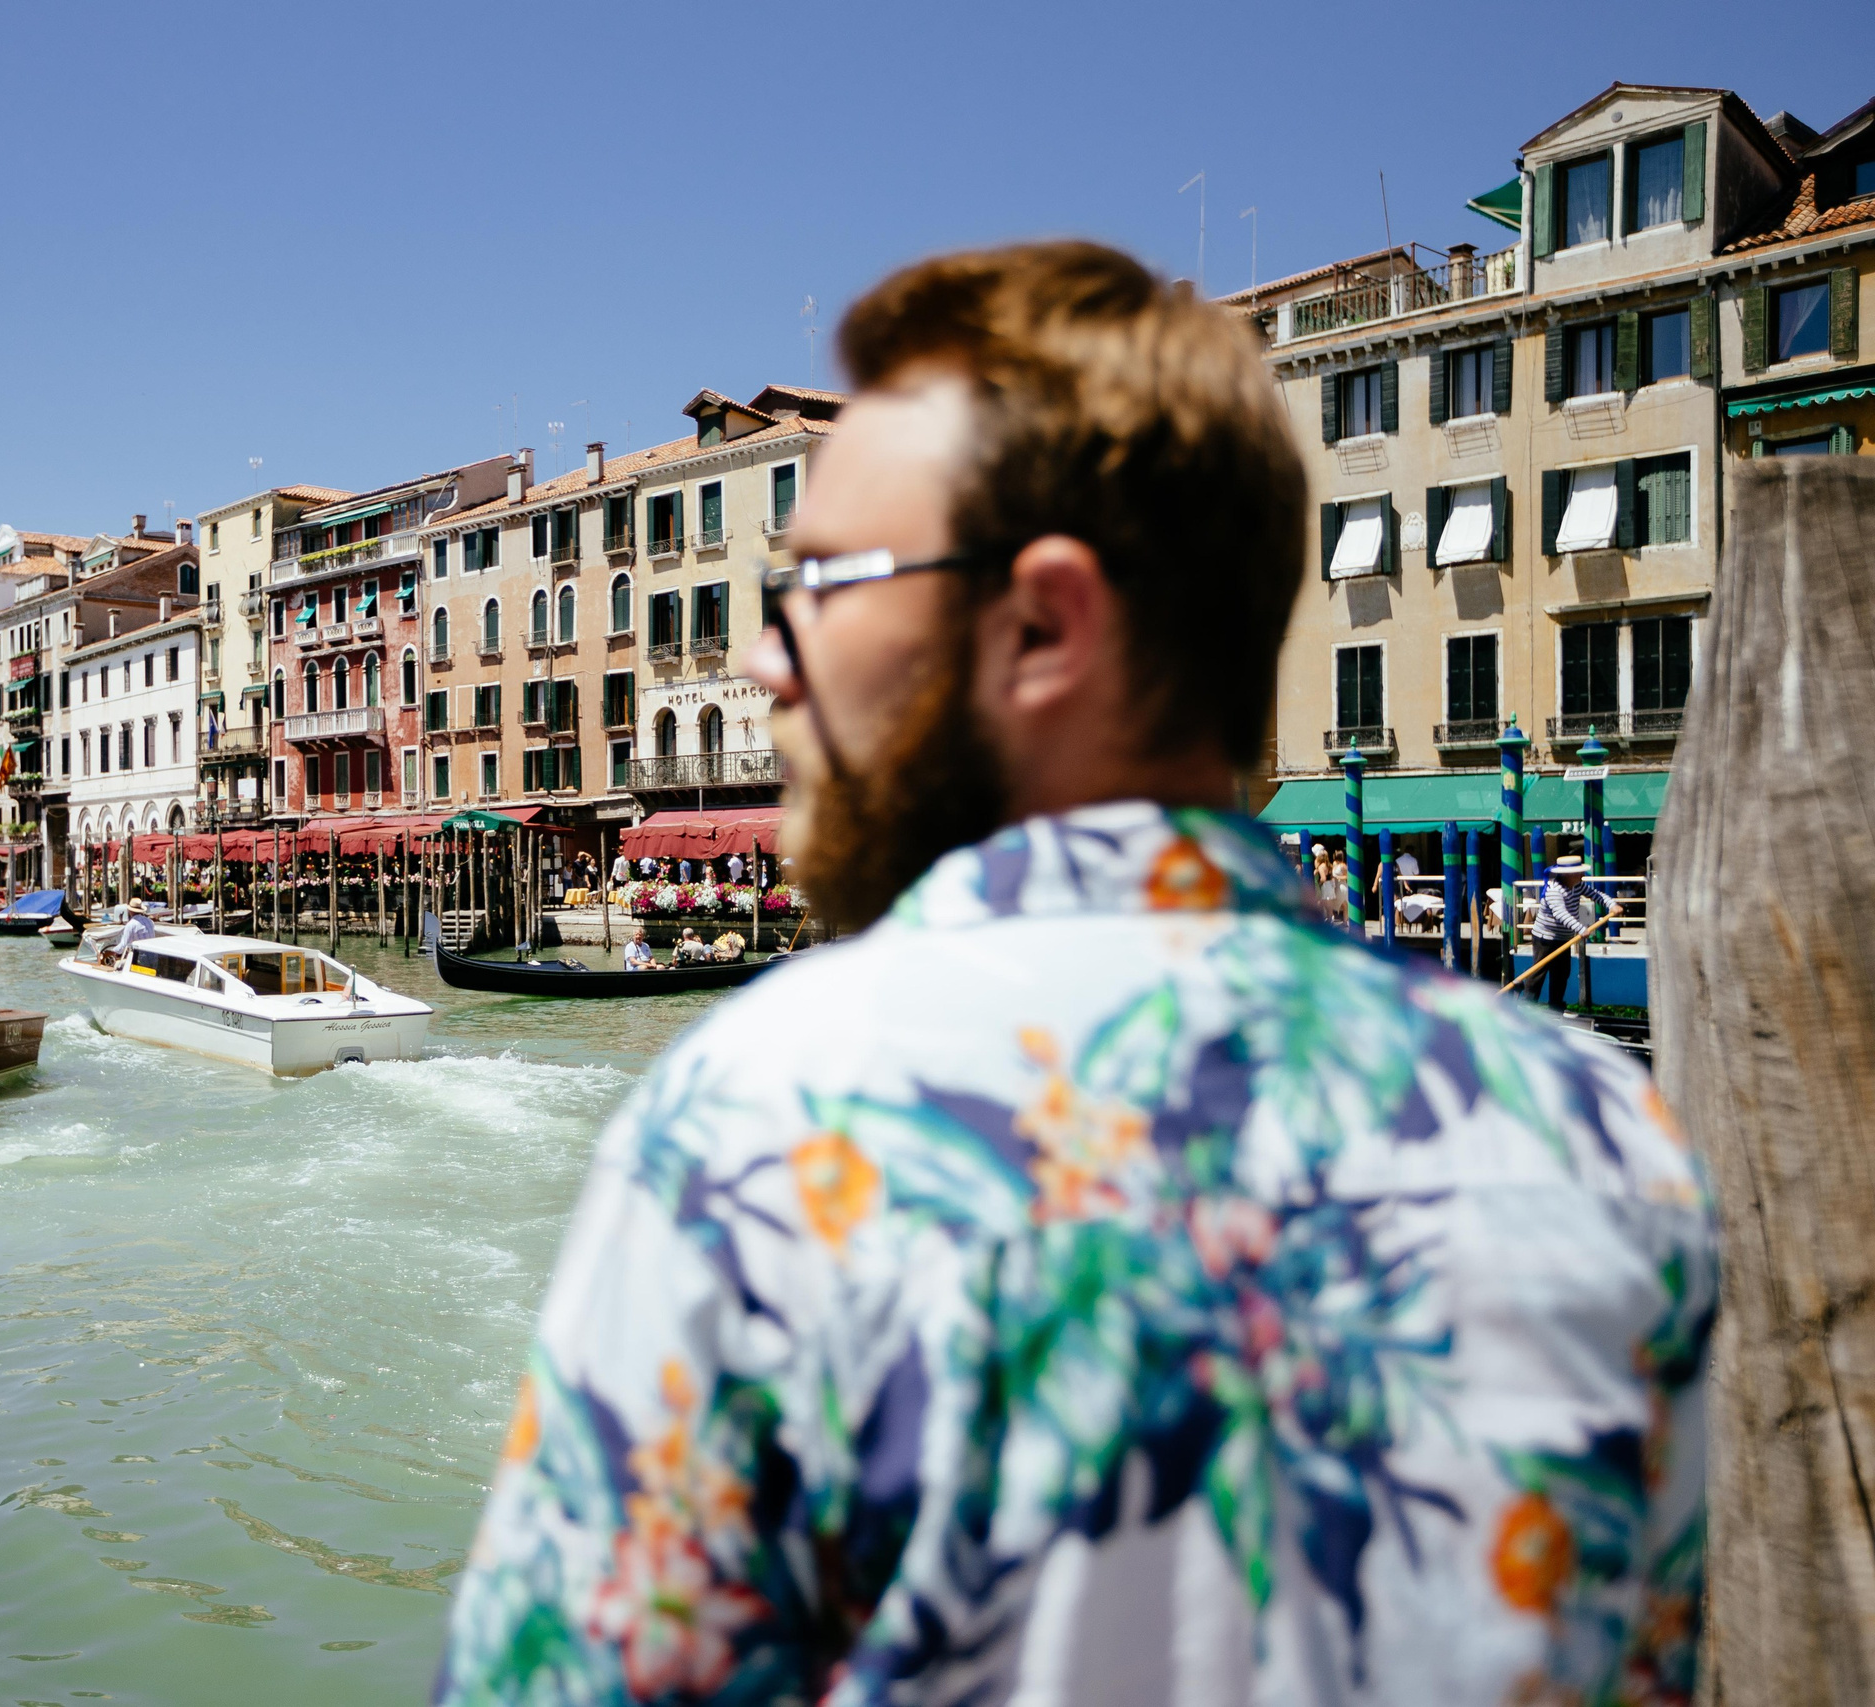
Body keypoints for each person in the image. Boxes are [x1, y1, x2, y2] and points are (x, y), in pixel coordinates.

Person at [437, 241, 1711, 1707]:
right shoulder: (1615, 1146)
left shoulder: (774, 1125)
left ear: (1041, 624)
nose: (770, 666)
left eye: (819, 588)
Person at [1531, 853, 1601, 1009]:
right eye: (1579, 872)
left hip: (1563, 937)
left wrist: (1611, 904)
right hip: (1545, 937)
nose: (1583, 875)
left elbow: (1595, 895)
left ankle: (1556, 1007)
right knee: (1538, 973)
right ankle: (1528, 1005)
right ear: (1568, 875)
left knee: (1562, 973)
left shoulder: (1577, 885)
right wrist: (1580, 928)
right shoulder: (1554, 890)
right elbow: (1560, 914)